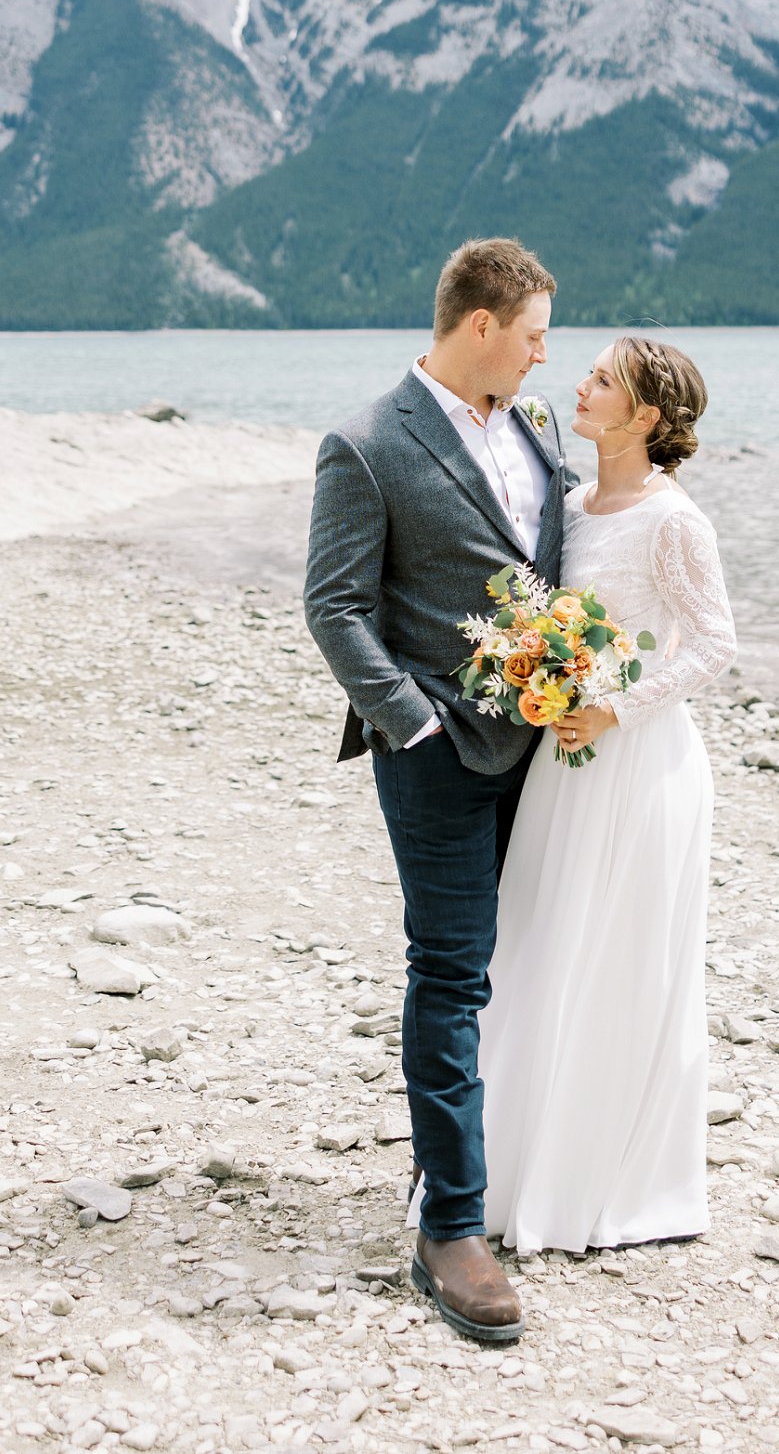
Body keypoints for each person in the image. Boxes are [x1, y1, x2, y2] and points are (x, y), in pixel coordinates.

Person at [304, 237, 574, 1344]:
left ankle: (496, 1174)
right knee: (451, 972)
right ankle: (448, 1228)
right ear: (480, 327)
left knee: (533, 964)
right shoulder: (366, 444)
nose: (545, 353)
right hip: (439, 758)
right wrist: (409, 724)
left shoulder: (537, 428)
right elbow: (333, 606)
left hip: (548, 755)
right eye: (532, 334)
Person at [471, 334, 736, 1252]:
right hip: (565, 759)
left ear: (647, 416)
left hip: (638, 764)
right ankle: (509, 1169)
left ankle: (614, 1182)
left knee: (620, 963)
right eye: (583, 373)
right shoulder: (574, 505)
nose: (577, 386)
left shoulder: (675, 521)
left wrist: (615, 711)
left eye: (601, 380)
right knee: (541, 946)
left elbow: (711, 644)